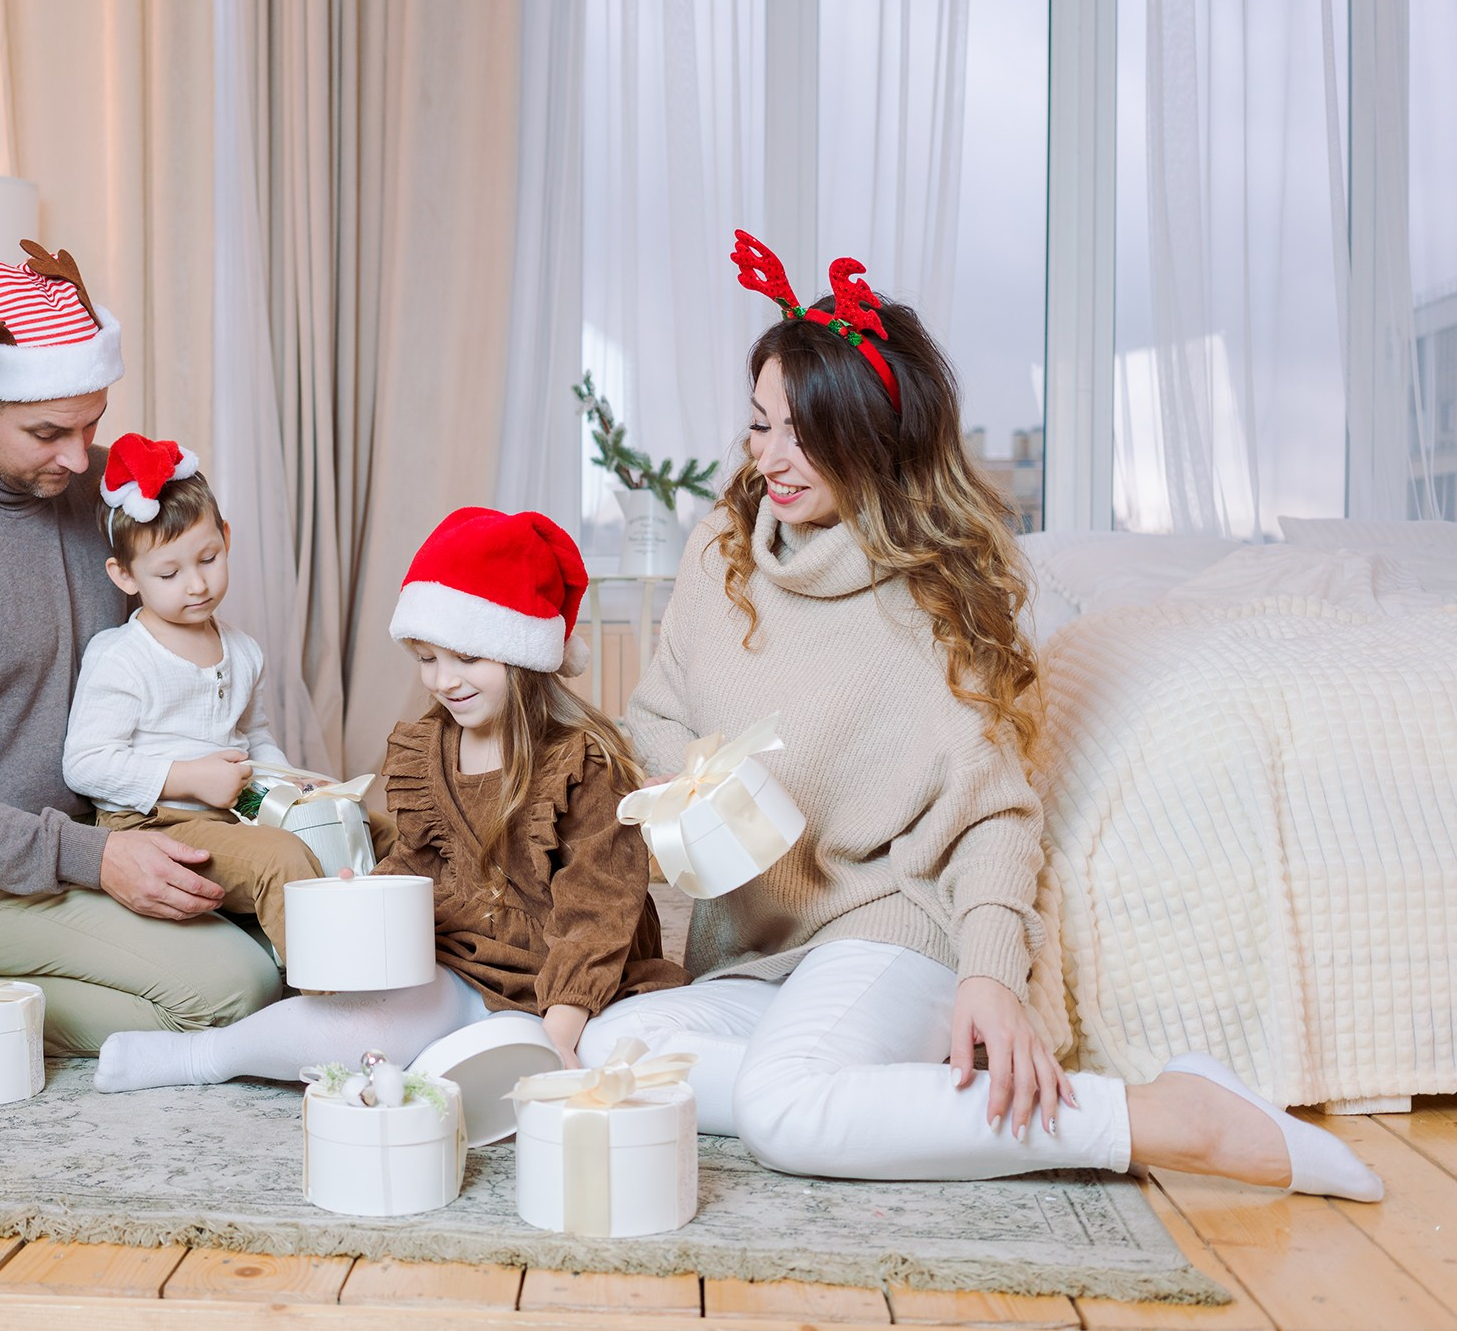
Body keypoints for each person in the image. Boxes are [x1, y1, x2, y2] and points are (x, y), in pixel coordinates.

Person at [576, 230, 1383, 1203]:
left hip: (887, 932)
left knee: (785, 1111)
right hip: (751, 953)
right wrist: (699, 786)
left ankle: (1165, 1115)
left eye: (803, 432)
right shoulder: (720, 550)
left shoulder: (933, 601)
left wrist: (989, 975)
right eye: (759, 424)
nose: (770, 457)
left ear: (873, 440)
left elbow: (995, 816)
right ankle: (887, 1101)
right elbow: (653, 712)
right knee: (615, 1047)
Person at [0, 242, 281, 1054]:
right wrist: (94, 859)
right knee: (233, 993)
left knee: (290, 938)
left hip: (120, 825)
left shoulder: (108, 492)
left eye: (92, 424)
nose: (80, 459)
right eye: (48, 432)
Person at [93, 507, 689, 1092]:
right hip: (468, 963)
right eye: (427, 660)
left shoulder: (582, 763)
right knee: (366, 1022)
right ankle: (203, 1056)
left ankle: (509, 1037)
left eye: (467, 659)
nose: (443, 681)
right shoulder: (428, 747)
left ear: (524, 655)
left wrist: (559, 1033)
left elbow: (598, 909)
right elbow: (420, 863)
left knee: (626, 1052)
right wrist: (375, 892)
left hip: (577, 981)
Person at [61, 432, 361, 968]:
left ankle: (388, 955)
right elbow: (84, 765)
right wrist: (189, 778)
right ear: (125, 576)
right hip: (153, 825)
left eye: (208, 558)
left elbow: (257, 738)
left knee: (357, 823)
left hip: (237, 811)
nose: (197, 585)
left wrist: (297, 784)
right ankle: (329, 997)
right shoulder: (122, 657)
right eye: (170, 573)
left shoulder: (242, 650)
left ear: (226, 537)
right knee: (283, 858)